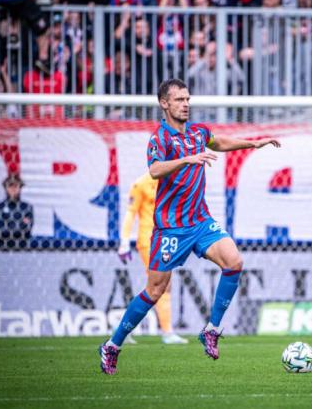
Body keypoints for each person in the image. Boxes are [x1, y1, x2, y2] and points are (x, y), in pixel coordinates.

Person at [99, 79, 280, 374]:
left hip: (200, 221)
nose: (185, 104)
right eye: (179, 99)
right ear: (164, 103)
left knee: (234, 261)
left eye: (187, 98)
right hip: (170, 229)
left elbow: (219, 142)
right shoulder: (161, 138)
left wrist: (253, 143)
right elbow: (155, 170)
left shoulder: (198, 133)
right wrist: (187, 159)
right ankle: (112, 345)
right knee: (155, 290)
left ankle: (211, 329)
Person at [118, 173, 188, 345]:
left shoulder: (172, 181)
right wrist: (124, 241)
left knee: (157, 287)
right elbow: (130, 213)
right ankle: (167, 332)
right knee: (160, 286)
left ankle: (123, 328)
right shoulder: (140, 184)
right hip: (148, 240)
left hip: (166, 239)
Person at [0, 174, 33, 249]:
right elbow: (0, 230)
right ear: (5, 188)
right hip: (1, 248)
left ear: (20, 188)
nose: (13, 188)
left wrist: (8, 226)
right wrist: (20, 224)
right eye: (10, 186)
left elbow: (27, 230)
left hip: (22, 247)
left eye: (16, 186)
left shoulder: (27, 207)